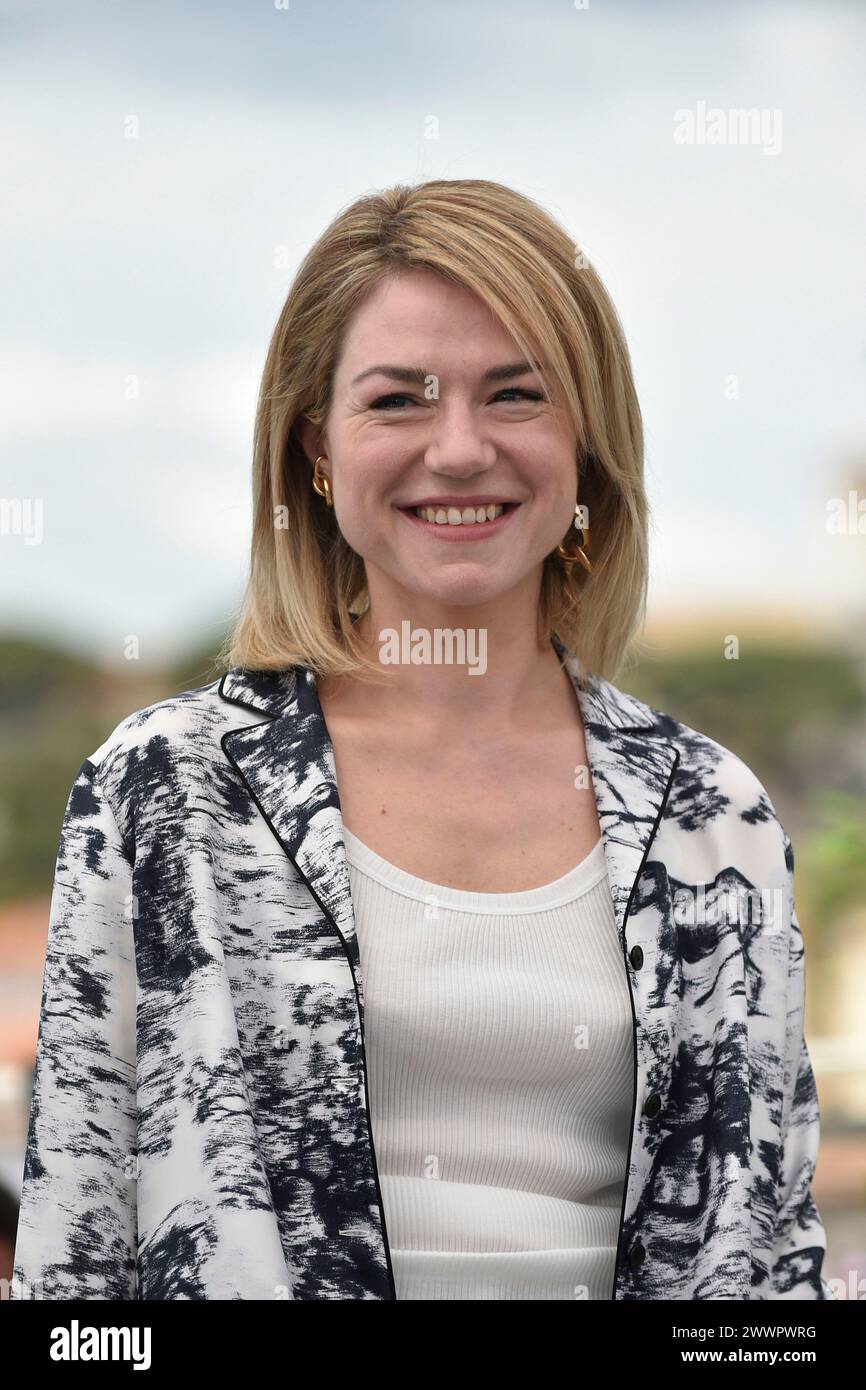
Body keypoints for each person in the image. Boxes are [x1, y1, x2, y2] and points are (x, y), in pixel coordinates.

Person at [11, 179, 832, 1300]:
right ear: (315, 448)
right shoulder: (166, 789)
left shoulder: (711, 815)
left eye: (514, 396)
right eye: (398, 400)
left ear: (585, 444)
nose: (457, 450)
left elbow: (764, 1265)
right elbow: (75, 1250)